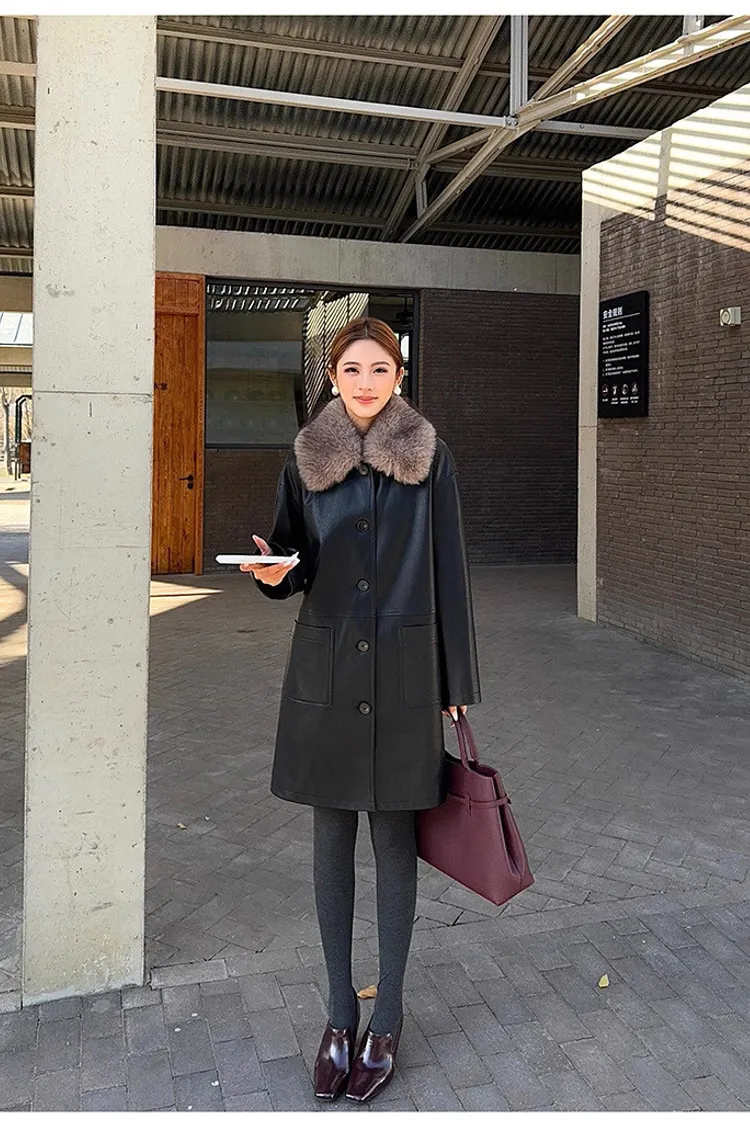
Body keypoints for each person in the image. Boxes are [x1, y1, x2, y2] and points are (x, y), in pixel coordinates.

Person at [241, 316, 481, 1104]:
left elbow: (450, 568)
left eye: (381, 368)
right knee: (330, 840)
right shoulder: (306, 457)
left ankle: (389, 1016)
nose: (367, 381)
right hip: (330, 668)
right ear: (333, 377)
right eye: (353, 369)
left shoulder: (431, 457)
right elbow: (293, 556)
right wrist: (274, 574)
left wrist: (455, 677)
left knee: (394, 840)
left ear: (400, 375)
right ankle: (340, 1014)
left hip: (406, 674)